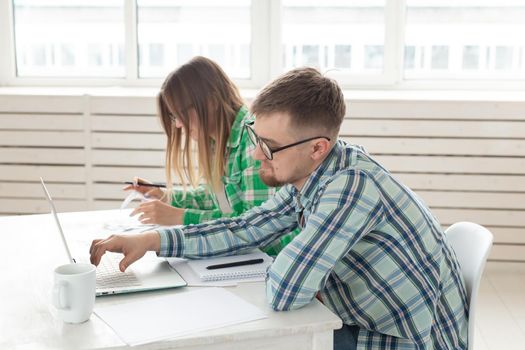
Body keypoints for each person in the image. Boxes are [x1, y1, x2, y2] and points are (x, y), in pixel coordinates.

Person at [91, 67, 469, 349]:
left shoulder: (351, 186)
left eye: (268, 145)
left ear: (317, 147)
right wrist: (151, 239)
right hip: (364, 316)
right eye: (256, 138)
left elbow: (285, 290)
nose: (256, 154)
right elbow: (244, 227)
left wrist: (293, 264)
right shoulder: (314, 171)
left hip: (399, 339)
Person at [126, 56, 297, 255]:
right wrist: (167, 196)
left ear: (211, 102)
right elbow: (214, 198)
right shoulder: (217, 140)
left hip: (268, 258)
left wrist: (181, 217)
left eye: (181, 114)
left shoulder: (252, 140)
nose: (179, 125)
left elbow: (254, 227)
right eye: (174, 117)